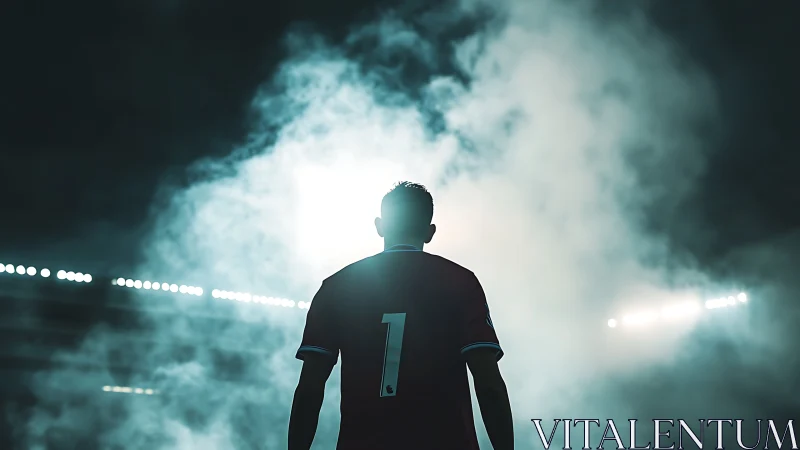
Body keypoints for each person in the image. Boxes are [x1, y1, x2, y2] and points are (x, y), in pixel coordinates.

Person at [288, 181, 514, 450]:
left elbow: (309, 389)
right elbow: (488, 384)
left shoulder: (337, 286)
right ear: (430, 232)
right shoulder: (460, 281)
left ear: (379, 226)